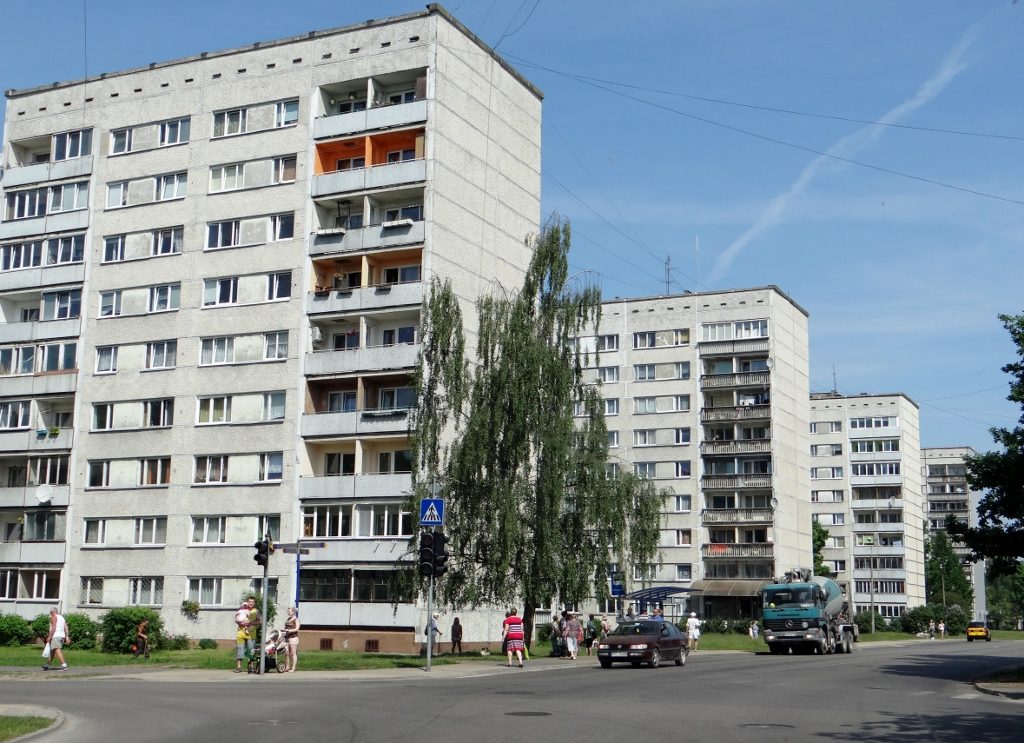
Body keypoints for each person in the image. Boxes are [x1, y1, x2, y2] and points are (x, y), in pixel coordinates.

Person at [234, 598, 257, 672]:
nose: (251, 603)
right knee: (240, 649)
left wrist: (250, 623)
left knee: (251, 650)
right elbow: (236, 619)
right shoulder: (241, 610)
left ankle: (251, 667)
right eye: (249, 601)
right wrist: (240, 622)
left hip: (251, 634)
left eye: (252, 602)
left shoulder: (256, 611)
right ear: (247, 602)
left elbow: (260, 621)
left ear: (254, 603)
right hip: (241, 633)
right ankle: (238, 667)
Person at [283, 606, 300, 672]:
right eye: (288, 611)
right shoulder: (288, 619)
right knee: (286, 653)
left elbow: (297, 628)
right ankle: (287, 667)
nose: (288, 612)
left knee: (293, 653)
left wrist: (289, 630)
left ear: (293, 612)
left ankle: (293, 668)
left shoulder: (296, 619)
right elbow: (286, 628)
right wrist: (284, 630)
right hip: (287, 637)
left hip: (293, 637)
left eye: (289, 611)